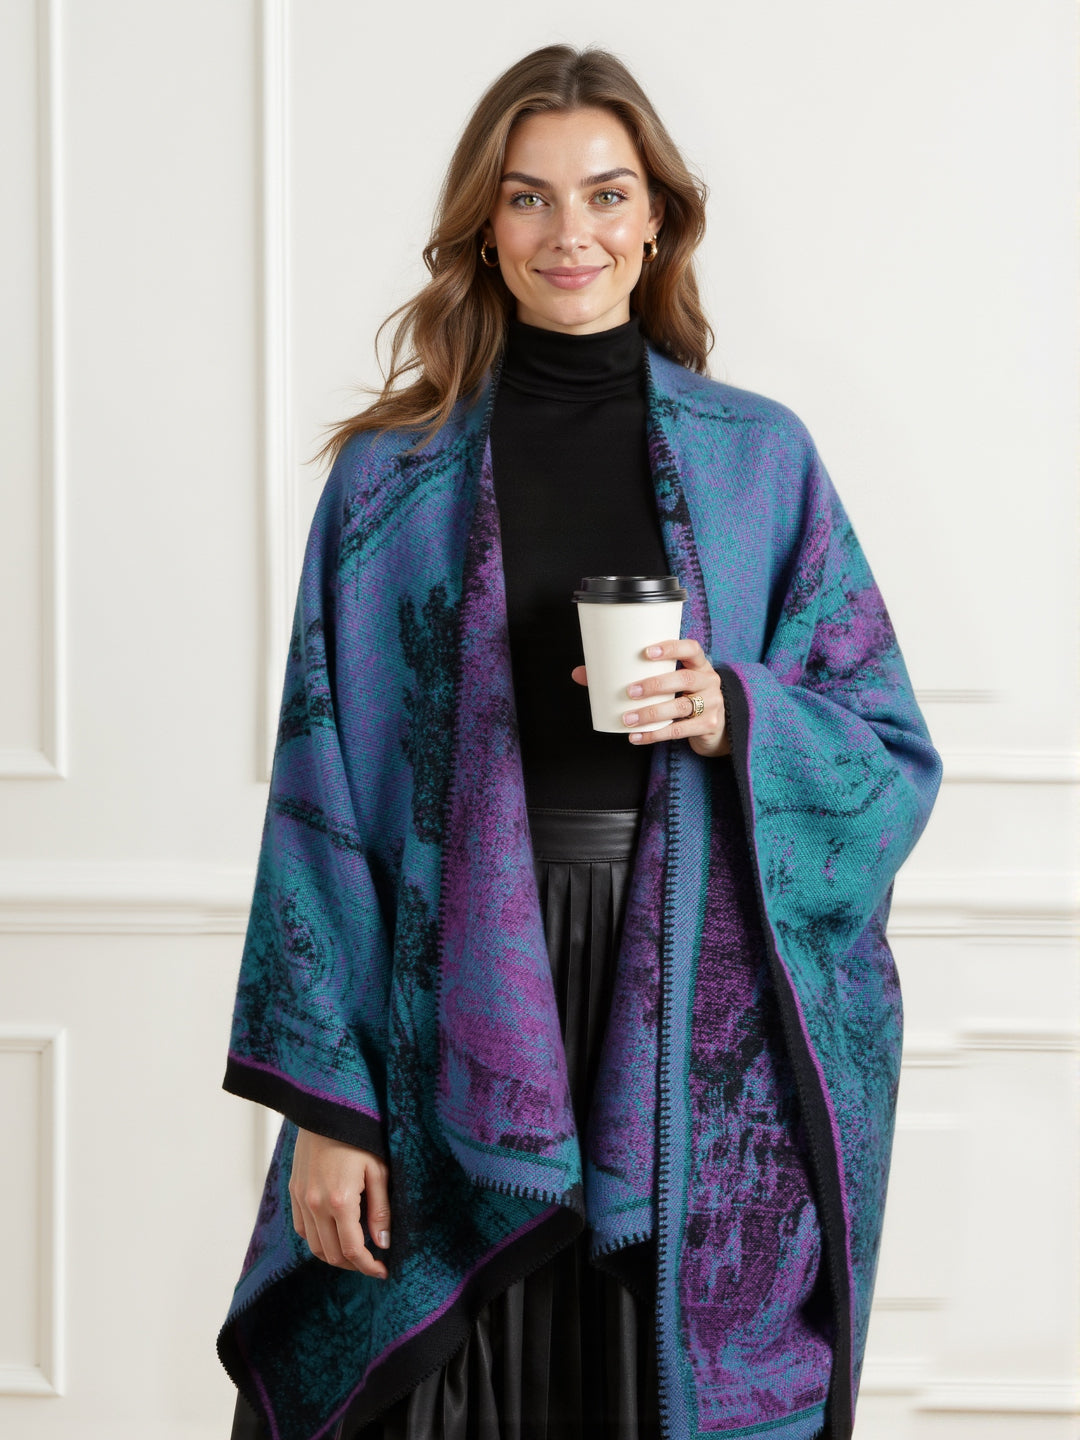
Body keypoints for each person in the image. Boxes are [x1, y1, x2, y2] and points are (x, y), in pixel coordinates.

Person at [218, 44, 941, 1440]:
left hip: (681, 1003)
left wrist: (737, 711)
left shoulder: (759, 459)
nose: (572, 233)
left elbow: (887, 754)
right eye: (529, 197)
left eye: (606, 195)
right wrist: (330, 1112)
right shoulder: (391, 479)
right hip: (454, 986)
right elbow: (324, 801)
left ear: (657, 216)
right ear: (485, 226)